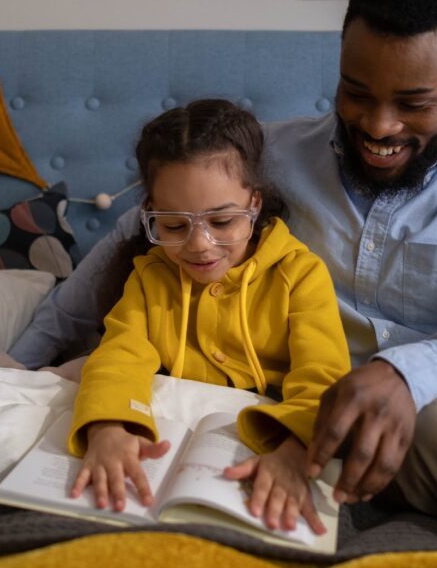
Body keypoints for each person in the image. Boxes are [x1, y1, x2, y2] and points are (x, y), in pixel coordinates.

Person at [11, 0, 437, 563]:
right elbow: (143, 232)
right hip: (398, 428)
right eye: (357, 93)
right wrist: (11, 369)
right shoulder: (265, 159)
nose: (379, 126)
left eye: (413, 103)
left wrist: (410, 371)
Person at [64, 99, 351, 535]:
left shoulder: (300, 274)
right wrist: (106, 426)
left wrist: (296, 451)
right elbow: (118, 356)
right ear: (150, 213)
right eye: (175, 226)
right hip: (172, 438)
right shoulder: (150, 277)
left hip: (264, 440)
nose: (199, 245)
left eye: (221, 221)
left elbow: (324, 377)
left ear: (254, 204)